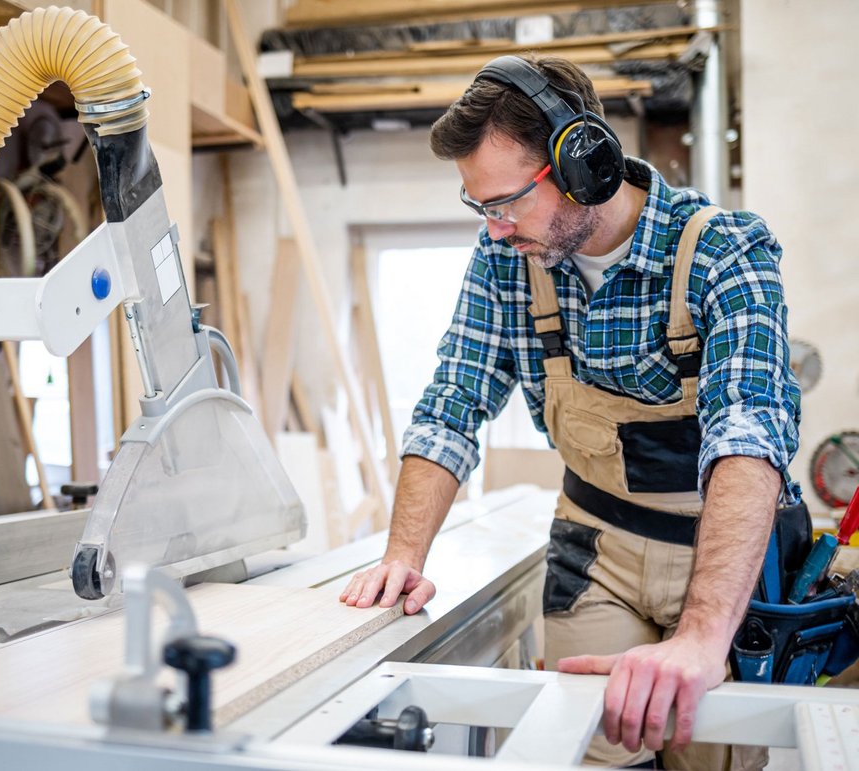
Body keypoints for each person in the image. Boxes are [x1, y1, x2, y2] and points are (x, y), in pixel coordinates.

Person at [340, 54, 800, 770]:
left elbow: (749, 434)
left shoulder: (723, 252)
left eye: (504, 203)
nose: (493, 228)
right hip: (597, 555)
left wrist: (705, 637)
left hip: (712, 561)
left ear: (585, 165)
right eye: (480, 208)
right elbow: (452, 401)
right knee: (581, 748)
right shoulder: (505, 261)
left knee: (709, 754)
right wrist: (403, 557)